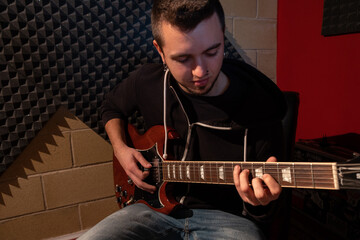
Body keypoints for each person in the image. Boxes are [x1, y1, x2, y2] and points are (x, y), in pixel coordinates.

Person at [79, 0, 287, 239]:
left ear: (222, 36)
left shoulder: (261, 105)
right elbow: (111, 108)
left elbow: (266, 208)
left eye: (212, 51)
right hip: (150, 210)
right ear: (160, 51)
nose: (200, 71)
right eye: (183, 58)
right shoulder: (147, 81)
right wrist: (121, 149)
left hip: (228, 220)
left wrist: (258, 202)